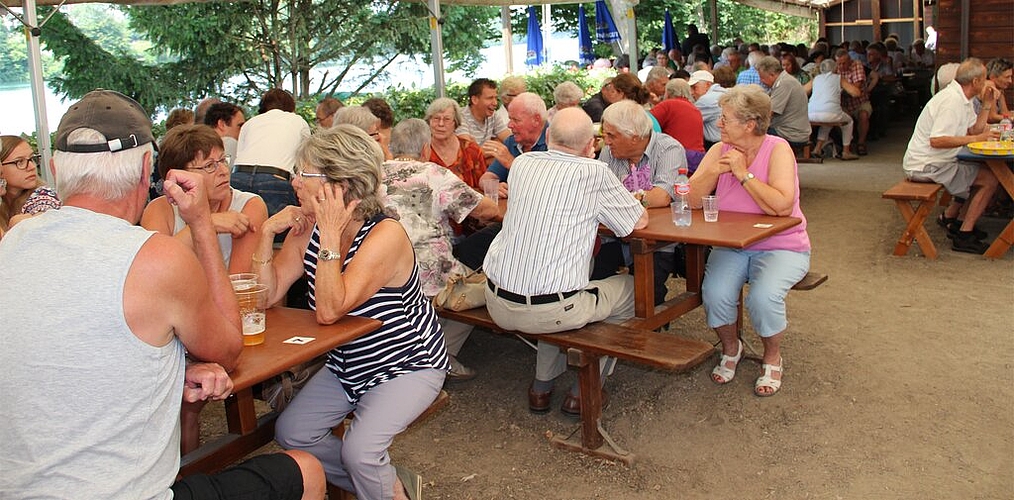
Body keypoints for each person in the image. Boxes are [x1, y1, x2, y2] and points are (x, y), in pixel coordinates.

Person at [0, 89, 325, 499]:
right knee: (306, 470)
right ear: (144, 170)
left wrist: (168, 369)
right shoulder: (155, 257)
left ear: (52, 167)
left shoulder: (14, 241)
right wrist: (202, 226)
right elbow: (227, 346)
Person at [259, 124, 447, 500]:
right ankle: (388, 484)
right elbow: (268, 293)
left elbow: (329, 310)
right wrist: (266, 233)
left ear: (338, 184)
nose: (294, 182)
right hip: (350, 363)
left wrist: (329, 231)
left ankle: (375, 478)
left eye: (303, 173)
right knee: (292, 432)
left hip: (409, 363)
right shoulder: (307, 228)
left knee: (360, 451)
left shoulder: (384, 235)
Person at [482, 107, 648, 416]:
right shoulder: (594, 172)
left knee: (559, 289)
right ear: (590, 147)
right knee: (633, 289)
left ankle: (541, 387)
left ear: (547, 137)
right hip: (554, 309)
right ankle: (585, 390)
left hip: (498, 303)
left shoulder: (522, 165)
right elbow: (636, 223)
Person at [687, 85, 811, 398]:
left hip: (782, 243)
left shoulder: (778, 148)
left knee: (763, 296)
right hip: (733, 244)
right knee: (714, 293)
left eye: (725, 119)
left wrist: (744, 175)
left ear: (749, 124)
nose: (719, 124)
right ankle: (732, 349)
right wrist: (710, 173)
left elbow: (782, 206)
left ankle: (772, 357)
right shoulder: (719, 150)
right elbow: (690, 201)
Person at [382, 118, 501, 381]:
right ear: (426, 149)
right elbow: (488, 211)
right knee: (479, 289)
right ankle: (439, 356)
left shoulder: (373, 174)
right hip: (428, 276)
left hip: (381, 272)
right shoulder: (434, 174)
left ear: (390, 147)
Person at [903, 58, 1000, 254]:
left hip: (937, 162)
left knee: (986, 174)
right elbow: (937, 140)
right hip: (926, 164)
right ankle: (964, 234)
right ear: (975, 82)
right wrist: (976, 138)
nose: (987, 82)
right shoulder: (951, 101)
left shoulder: (964, 99)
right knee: (989, 179)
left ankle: (960, 224)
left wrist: (988, 104)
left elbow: (975, 129)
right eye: (984, 79)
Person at [143, 124, 267, 273]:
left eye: (223, 160)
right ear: (179, 176)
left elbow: (238, 284)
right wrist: (207, 225)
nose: (223, 171)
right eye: (209, 165)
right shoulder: (160, 209)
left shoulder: (249, 206)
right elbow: (152, 270)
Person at [598, 100, 687, 304]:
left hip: (657, 240)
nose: (606, 140)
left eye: (612, 135)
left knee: (646, 290)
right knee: (593, 277)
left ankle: (648, 328)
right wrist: (638, 198)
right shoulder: (609, 151)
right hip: (614, 234)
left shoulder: (668, 148)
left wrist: (619, 198)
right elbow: (598, 193)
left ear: (635, 137)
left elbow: (661, 196)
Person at [232, 88, 311, 216]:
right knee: (278, 231)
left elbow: (239, 155)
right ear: (291, 106)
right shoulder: (298, 121)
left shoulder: (250, 122)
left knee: (239, 230)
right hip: (275, 180)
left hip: (239, 176)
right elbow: (307, 159)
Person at [479, 92, 549, 185]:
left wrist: (511, 163)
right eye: (510, 119)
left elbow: (547, 185)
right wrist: (494, 186)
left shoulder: (556, 143)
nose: (509, 125)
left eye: (516, 120)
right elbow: (487, 177)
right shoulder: (512, 141)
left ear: (536, 120)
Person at [1, 135, 61, 234]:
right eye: (20, 162)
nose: (32, 167)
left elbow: (48, 216)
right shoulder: (3, 206)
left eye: (32, 158)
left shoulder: (43, 195)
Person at [425, 97, 487, 189]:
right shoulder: (421, 151)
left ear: (456, 123)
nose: (441, 124)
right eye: (436, 118)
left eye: (447, 119)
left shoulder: (472, 150)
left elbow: (483, 185)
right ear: (429, 121)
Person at [807, 59, 861, 160]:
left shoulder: (816, 79)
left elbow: (803, 90)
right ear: (835, 68)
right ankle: (846, 151)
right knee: (849, 122)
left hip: (811, 113)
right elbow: (856, 92)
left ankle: (817, 149)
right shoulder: (838, 78)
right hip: (831, 113)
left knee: (828, 123)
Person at [754, 55, 812, 148]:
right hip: (788, 130)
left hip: (790, 133)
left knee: (750, 133)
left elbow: (768, 112)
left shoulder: (784, 83)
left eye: (762, 77)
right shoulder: (783, 80)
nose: (761, 81)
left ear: (772, 74)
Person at [650, 78, 705, 170]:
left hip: (676, 155)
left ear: (668, 92)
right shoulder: (696, 109)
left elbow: (646, 122)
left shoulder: (668, 105)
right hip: (698, 157)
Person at [835, 48, 872, 155]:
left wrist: (842, 87)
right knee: (837, 118)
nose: (841, 66)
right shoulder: (835, 68)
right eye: (839, 64)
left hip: (859, 102)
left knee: (863, 115)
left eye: (844, 63)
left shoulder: (857, 65)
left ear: (849, 61)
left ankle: (861, 143)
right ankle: (847, 143)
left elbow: (856, 88)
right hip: (842, 103)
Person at [456, 78, 509, 146]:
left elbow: (510, 140)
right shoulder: (460, 117)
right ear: (474, 100)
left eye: (496, 98)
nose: (495, 103)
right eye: (490, 98)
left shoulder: (493, 115)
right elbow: (469, 150)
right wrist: (497, 145)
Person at [689, 69, 728, 149]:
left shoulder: (706, 100)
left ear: (708, 84)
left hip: (715, 144)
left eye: (694, 87)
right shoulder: (722, 92)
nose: (692, 92)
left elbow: (689, 120)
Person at [978, 58, 1012, 123]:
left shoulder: (1000, 88)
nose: (1010, 81)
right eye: (1007, 77)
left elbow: (1005, 112)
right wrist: (1011, 118)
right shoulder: (989, 86)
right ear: (992, 77)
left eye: (1011, 77)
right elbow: (992, 117)